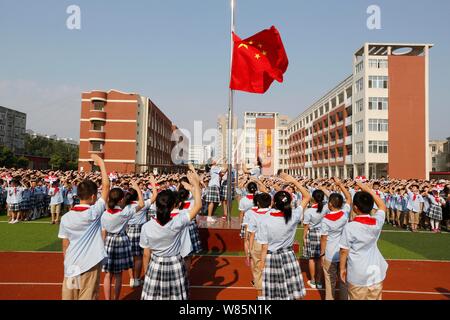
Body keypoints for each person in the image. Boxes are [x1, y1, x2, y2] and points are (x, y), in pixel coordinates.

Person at [139, 165, 202, 300]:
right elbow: (198, 205)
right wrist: (195, 184)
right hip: (175, 263)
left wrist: (147, 272)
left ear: (156, 205)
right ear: (174, 205)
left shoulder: (147, 226)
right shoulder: (177, 221)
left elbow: (146, 254)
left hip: (155, 264)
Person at [58, 154, 110, 300]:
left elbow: (65, 244)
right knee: (87, 296)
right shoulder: (94, 212)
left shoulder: (66, 217)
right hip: (89, 264)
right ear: (93, 196)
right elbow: (106, 186)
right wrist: (101, 163)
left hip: (71, 263)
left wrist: (68, 262)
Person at [258, 173, 311, 300]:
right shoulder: (293, 215)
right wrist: (294, 181)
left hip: (271, 257)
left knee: (273, 295)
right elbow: (307, 196)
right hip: (288, 256)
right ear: (290, 201)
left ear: (273, 202)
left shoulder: (265, 218)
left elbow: (264, 247)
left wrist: (261, 264)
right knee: (292, 294)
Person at [339, 181, 388, 300]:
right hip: (376, 271)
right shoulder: (377, 221)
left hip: (358, 272)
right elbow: (382, 206)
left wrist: (341, 269)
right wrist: (368, 189)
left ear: (355, 208)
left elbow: (344, 251)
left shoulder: (350, 227)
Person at [101, 181, 145, 300]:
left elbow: (103, 232)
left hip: (108, 241)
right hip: (121, 240)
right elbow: (141, 204)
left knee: (108, 274)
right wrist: (137, 188)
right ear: (121, 200)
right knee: (118, 275)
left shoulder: (104, 214)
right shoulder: (124, 213)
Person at [319, 177, 351, 300]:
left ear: (330, 204)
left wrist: (322, 254)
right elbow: (349, 198)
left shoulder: (326, 220)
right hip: (344, 252)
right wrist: (339, 184)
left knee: (329, 281)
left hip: (330, 253)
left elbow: (323, 238)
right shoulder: (344, 213)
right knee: (343, 279)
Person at [246, 192, 272, 299]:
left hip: (257, 244)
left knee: (258, 271)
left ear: (257, 203)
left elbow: (251, 234)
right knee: (271, 269)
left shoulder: (253, 214)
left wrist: (249, 250)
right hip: (271, 244)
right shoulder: (273, 213)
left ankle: (260, 296)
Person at [302, 189, 327, 289]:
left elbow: (306, 226)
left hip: (312, 233)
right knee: (320, 258)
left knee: (312, 258)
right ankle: (319, 281)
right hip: (323, 233)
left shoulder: (309, 211)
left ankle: (313, 280)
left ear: (313, 198)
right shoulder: (325, 208)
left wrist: (304, 237)